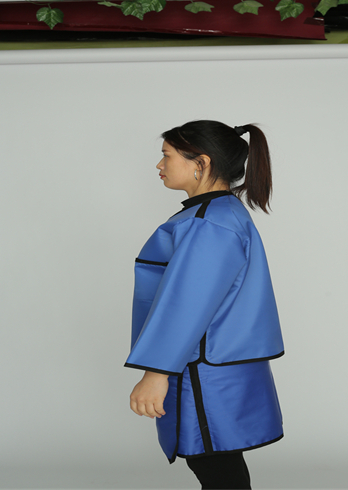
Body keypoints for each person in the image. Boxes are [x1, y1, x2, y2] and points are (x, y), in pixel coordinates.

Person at [125, 120, 284, 490]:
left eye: (166, 155)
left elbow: (186, 304)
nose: (159, 165)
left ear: (201, 162)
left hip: (203, 369)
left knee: (214, 465)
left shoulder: (208, 222)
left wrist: (156, 373)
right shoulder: (219, 214)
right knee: (219, 461)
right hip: (215, 364)